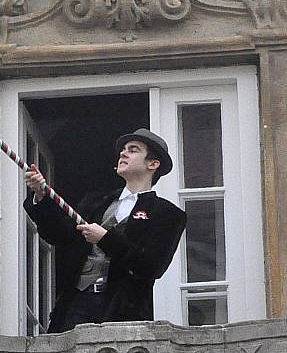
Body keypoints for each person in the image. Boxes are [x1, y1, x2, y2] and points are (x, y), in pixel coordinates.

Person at [23, 128, 187, 332]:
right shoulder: (96, 202)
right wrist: (41, 196)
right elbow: (61, 236)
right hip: (76, 306)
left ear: (153, 164)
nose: (123, 153)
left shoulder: (167, 213)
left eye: (133, 150)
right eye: (123, 149)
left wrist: (105, 238)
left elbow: (151, 267)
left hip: (123, 313)